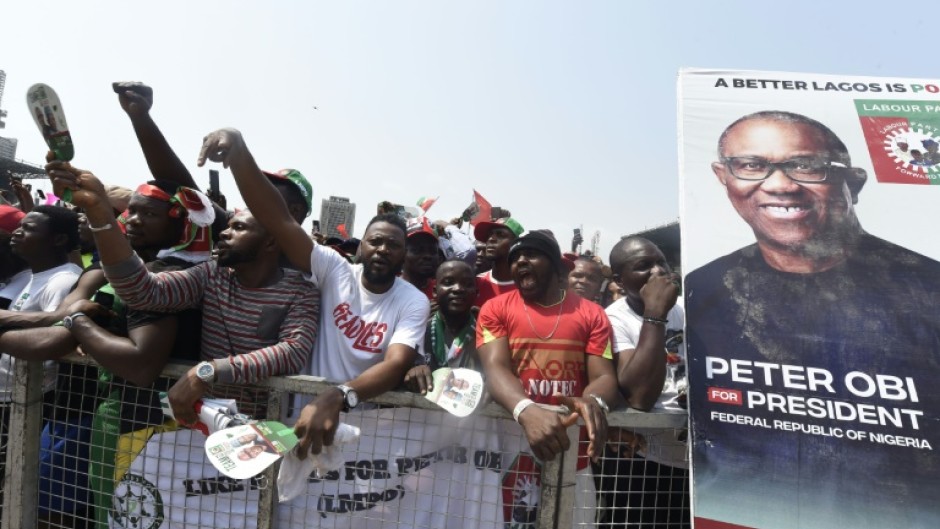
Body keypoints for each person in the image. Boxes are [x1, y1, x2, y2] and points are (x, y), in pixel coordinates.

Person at [686, 110, 940, 527]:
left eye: (807, 166)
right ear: (723, 177)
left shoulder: (927, 288)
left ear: (853, 182)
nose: (781, 185)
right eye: (751, 165)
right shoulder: (704, 290)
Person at [196, 128, 429, 459]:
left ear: (404, 256)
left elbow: (395, 363)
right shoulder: (335, 270)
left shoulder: (412, 301)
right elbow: (279, 221)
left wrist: (339, 396)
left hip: (360, 428)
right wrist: (238, 151)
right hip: (295, 416)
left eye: (393, 245)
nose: (382, 250)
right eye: (375, 241)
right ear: (360, 246)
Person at [50, 164, 321, 426]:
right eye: (229, 226)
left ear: (271, 241)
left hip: (265, 430)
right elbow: (142, 291)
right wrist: (99, 213)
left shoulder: (303, 290)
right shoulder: (210, 275)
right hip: (200, 424)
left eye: (238, 228)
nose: (224, 233)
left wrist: (208, 372)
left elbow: (291, 352)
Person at [477, 230, 620, 525]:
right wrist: (527, 411)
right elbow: (495, 368)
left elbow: (604, 376)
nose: (520, 261)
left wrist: (592, 399)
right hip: (511, 450)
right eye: (515, 257)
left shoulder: (592, 314)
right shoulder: (496, 308)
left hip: (572, 454)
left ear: (556, 267)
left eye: (531, 254)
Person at [597, 236, 688, 529]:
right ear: (619, 281)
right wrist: (655, 315)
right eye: (644, 266)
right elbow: (639, 397)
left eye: (661, 261)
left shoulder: (692, 307)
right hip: (644, 463)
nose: (658, 271)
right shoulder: (612, 319)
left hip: (696, 462)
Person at [405, 260, 479, 394]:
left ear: (476, 292)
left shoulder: (486, 335)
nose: (458, 289)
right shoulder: (416, 330)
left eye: (467, 284)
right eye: (448, 282)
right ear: (434, 291)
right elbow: (399, 367)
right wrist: (412, 371)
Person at [473, 217, 524, 307]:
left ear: (517, 243)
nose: (491, 239)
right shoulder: (476, 283)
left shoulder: (528, 287)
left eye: (500, 234)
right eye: (490, 234)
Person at [401, 217, 440, 300]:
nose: (427, 256)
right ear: (402, 252)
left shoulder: (443, 293)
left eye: (433, 251)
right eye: (418, 250)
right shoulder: (387, 290)